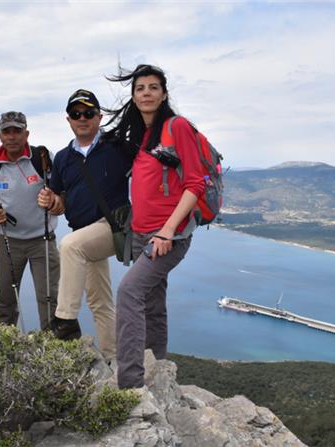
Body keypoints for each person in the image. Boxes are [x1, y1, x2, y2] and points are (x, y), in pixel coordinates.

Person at [103, 64, 205, 389]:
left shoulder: (178, 127)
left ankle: (130, 383)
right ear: (133, 96)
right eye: (140, 88)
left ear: (163, 94)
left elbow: (194, 184)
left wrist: (168, 231)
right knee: (152, 302)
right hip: (144, 234)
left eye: (153, 87)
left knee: (129, 292)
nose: (146, 93)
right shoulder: (145, 135)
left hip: (168, 235)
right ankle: (157, 369)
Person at [37, 89, 132, 361]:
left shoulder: (117, 146)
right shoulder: (64, 158)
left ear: (99, 117)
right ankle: (114, 359)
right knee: (100, 301)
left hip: (113, 226)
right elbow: (60, 199)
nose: (82, 118)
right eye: (76, 114)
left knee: (69, 246)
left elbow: (148, 164)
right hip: (84, 233)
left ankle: (64, 320)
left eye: (88, 113)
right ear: (68, 119)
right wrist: (50, 198)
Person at [0, 111, 59, 331]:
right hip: (9, 242)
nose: (12, 136)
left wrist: (53, 199)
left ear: (27, 133)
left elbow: (60, 190)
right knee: (6, 299)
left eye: (17, 131)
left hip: (43, 240)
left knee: (49, 298)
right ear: (0, 135)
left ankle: (52, 348)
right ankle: (5, 344)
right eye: (7, 131)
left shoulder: (42, 158)